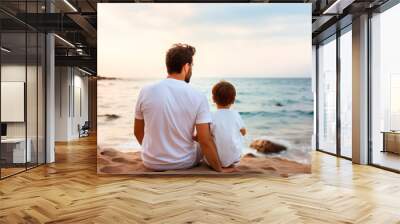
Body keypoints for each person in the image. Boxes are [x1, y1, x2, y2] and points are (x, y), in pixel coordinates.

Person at [134, 43, 234, 172]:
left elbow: (138, 132)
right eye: (191, 66)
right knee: (209, 136)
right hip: (184, 162)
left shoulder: (145, 91)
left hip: (151, 162)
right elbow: (204, 140)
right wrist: (219, 169)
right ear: (186, 67)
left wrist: (152, 153)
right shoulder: (198, 95)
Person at [206, 81, 246, 167]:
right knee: (239, 134)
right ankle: (231, 156)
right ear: (233, 100)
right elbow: (243, 132)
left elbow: (206, 135)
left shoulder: (211, 115)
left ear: (213, 99)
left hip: (214, 160)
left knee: (206, 136)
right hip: (235, 159)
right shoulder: (235, 114)